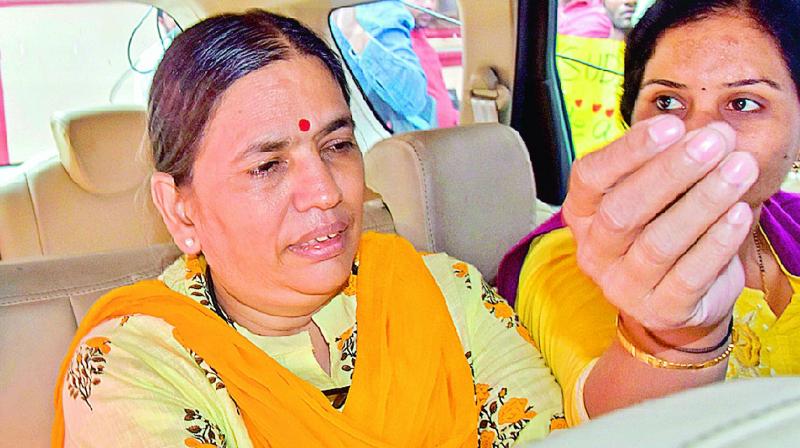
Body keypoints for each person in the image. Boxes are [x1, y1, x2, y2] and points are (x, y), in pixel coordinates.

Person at [52, 10, 564, 447]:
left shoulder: (446, 294)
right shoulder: (134, 370)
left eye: (337, 146)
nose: (325, 192)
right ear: (181, 211)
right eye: (268, 166)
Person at [498, 0, 800, 426]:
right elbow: (619, 424)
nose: (701, 135)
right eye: (668, 102)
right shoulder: (573, 256)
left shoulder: (789, 223)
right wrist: (672, 338)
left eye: (744, 104)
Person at [331, 1, 438, 133]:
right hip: (389, 142)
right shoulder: (378, 8)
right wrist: (356, 34)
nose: (428, 5)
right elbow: (412, 100)